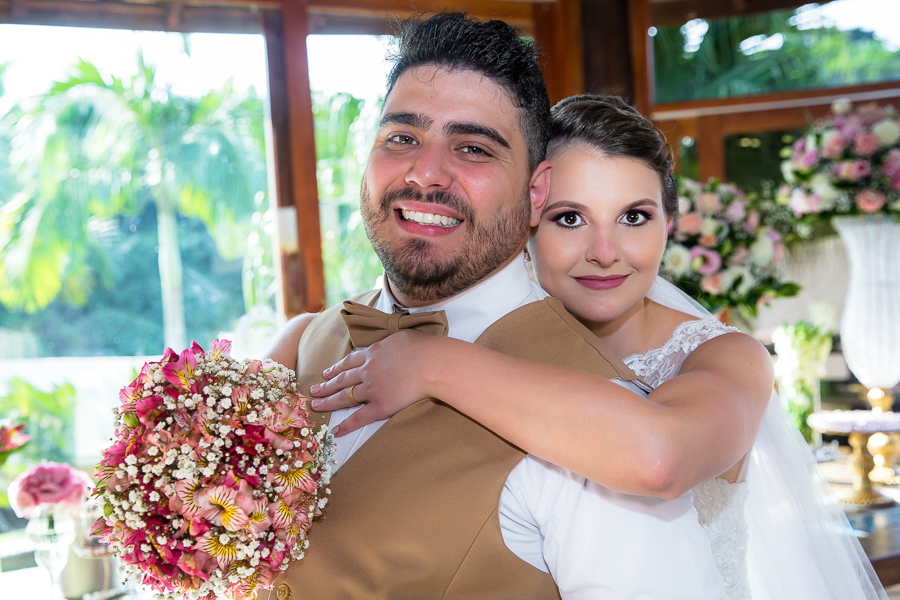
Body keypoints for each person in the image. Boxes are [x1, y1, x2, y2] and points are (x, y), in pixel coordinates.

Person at [306, 95, 888, 600]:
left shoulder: (724, 358)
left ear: (669, 225)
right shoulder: (496, 341)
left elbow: (663, 456)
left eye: (634, 216)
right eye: (570, 218)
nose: (606, 251)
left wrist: (432, 363)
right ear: (526, 218)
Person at [264, 13, 730, 600]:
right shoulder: (305, 342)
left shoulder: (599, 427)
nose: (425, 173)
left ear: (536, 194)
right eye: (402, 137)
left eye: (473, 148)